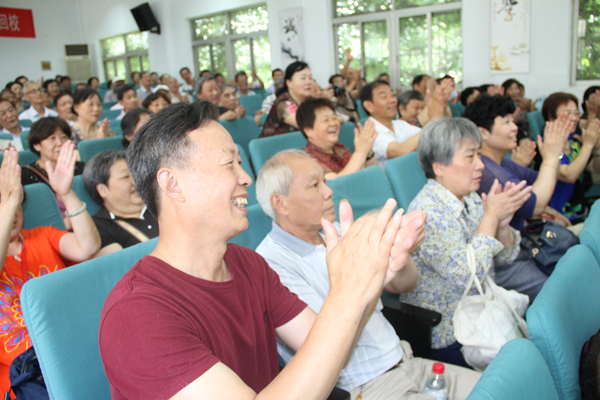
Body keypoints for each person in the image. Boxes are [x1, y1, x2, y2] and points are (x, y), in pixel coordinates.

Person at [99, 100, 418, 400]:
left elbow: (334, 348)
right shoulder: (135, 315)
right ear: (173, 184)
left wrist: (366, 280)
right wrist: (347, 293)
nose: (246, 177)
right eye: (229, 165)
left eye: (240, 162)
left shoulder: (249, 264)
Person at [255, 149, 481, 398]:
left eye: (325, 181)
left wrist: (400, 255)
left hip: (407, 361)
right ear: (280, 203)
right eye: (314, 185)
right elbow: (331, 351)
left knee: (502, 389)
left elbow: (407, 284)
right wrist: (372, 282)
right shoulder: (271, 265)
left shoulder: (339, 231)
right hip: (365, 386)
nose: (328, 191)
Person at [400, 117, 535, 368]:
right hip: (451, 330)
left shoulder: (469, 197)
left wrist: (502, 227)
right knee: (519, 368)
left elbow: (503, 257)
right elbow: (468, 276)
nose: (480, 165)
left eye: (480, 156)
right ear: (439, 166)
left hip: (481, 312)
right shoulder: (429, 213)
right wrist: (491, 217)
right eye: (470, 157)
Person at [0, 145, 100, 395]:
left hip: (71, 348)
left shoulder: (42, 235)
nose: (13, 215)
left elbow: (87, 247)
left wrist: (66, 194)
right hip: (25, 376)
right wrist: (9, 203)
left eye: (17, 206)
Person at [463, 94, 571, 230]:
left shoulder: (502, 162)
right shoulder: (486, 171)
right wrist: (550, 157)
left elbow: (544, 180)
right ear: (482, 133)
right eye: (507, 122)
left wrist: (556, 152)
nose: (515, 128)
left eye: (513, 121)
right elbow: (536, 205)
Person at [82, 150, 158, 257]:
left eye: (135, 174)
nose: (136, 181)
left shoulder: (161, 200)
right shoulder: (98, 229)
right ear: (103, 190)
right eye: (126, 177)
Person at [541, 92, 600, 216]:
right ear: (551, 116)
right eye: (568, 113)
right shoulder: (544, 145)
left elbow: (594, 168)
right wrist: (588, 145)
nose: (574, 118)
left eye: (576, 113)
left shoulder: (573, 143)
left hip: (579, 210)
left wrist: (597, 150)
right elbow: (569, 175)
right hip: (557, 216)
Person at [21, 117, 86, 226]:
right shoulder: (25, 175)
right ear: (37, 145)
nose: (59, 143)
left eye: (63, 137)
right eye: (52, 138)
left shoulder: (81, 167)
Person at [297, 98, 377, 179]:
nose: (333, 123)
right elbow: (337, 184)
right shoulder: (307, 160)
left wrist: (368, 152)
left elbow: (374, 176)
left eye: (334, 118)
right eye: (326, 120)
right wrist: (361, 151)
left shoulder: (340, 149)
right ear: (309, 131)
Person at [360, 80, 422, 169]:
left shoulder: (400, 124)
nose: (393, 100)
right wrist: (430, 126)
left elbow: (425, 137)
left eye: (392, 95)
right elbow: (400, 151)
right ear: (369, 106)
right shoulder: (369, 132)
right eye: (384, 97)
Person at [261, 61, 314, 137]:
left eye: (310, 78)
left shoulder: (310, 100)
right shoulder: (283, 102)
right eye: (303, 78)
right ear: (289, 82)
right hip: (275, 146)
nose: (308, 82)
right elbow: (305, 125)